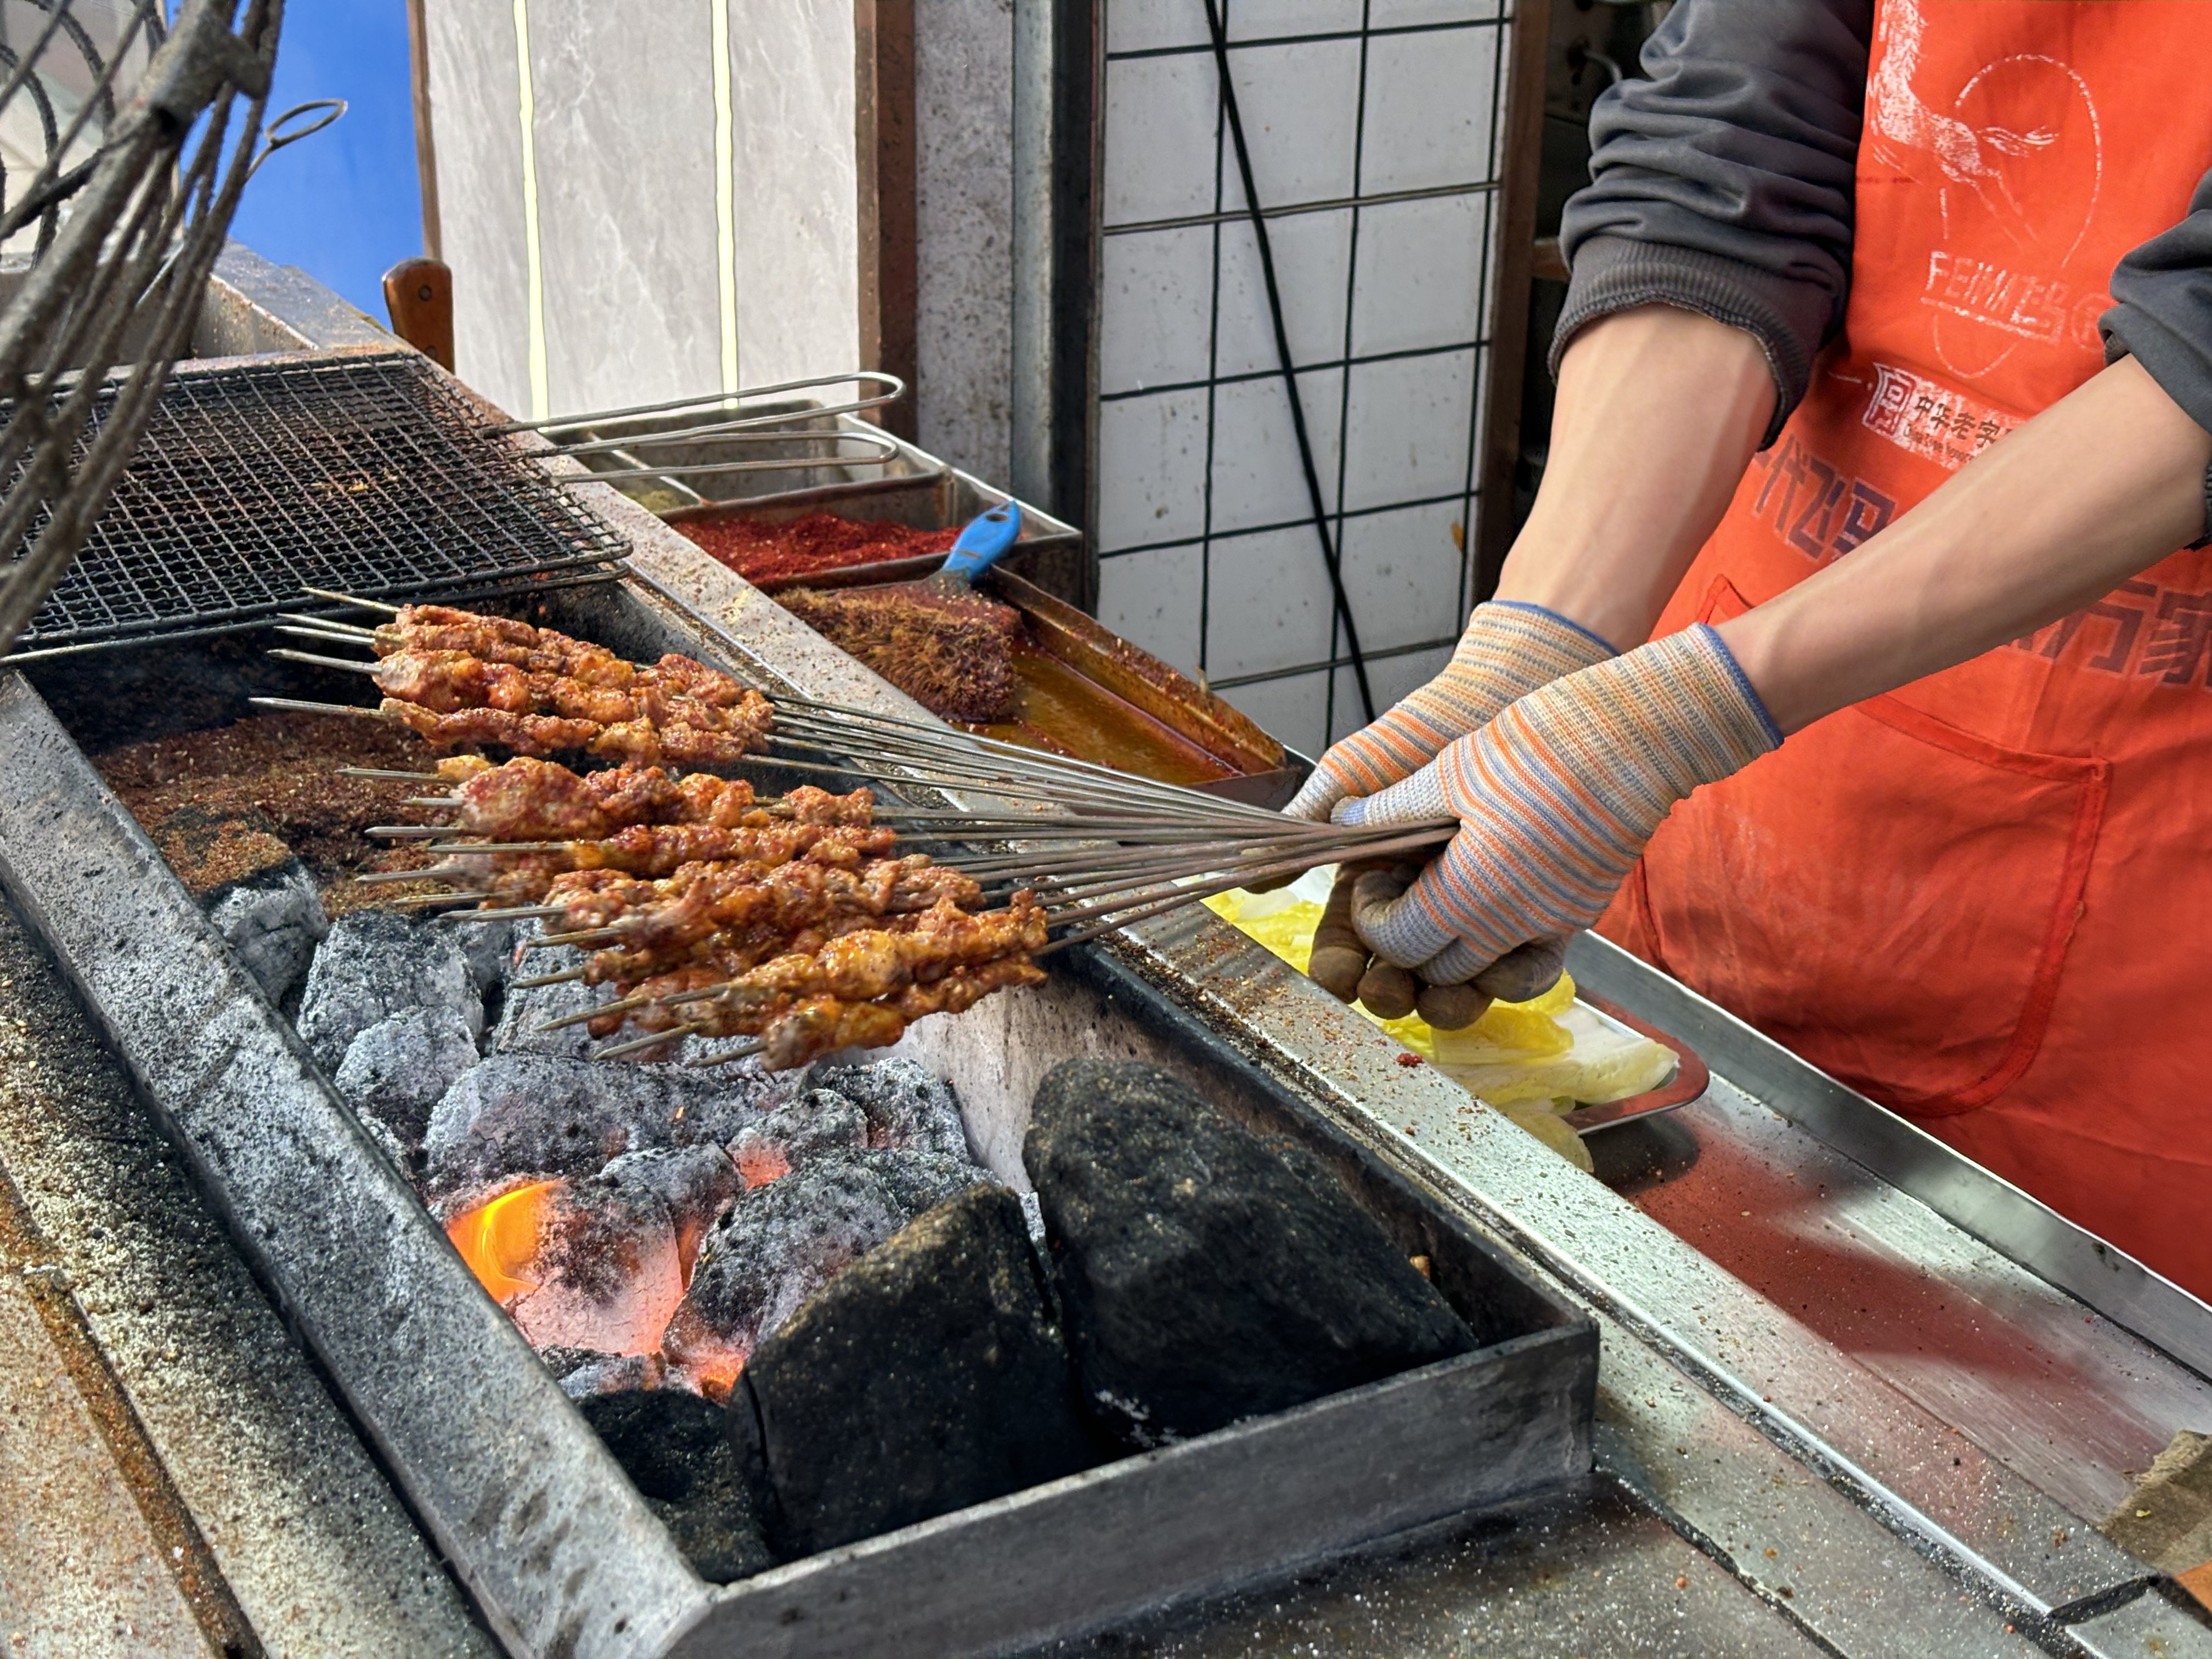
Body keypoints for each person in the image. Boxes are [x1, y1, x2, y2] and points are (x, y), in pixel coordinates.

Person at [1286, 0, 2212, 1296]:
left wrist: (1692, 709)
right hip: (1737, 786)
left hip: (2139, 897)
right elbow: (1724, 161)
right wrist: (1547, 644)